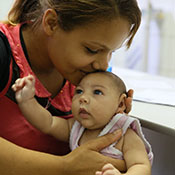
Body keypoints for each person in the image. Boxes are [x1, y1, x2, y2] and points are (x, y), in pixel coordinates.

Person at [0, 0, 141, 174]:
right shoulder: (3, 52)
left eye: (111, 52)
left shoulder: (85, 74)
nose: (103, 65)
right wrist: (66, 166)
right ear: (51, 23)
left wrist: (108, 120)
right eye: (91, 49)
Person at [12, 71, 153, 175]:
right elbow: (47, 123)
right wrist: (27, 100)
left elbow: (141, 165)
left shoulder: (123, 133)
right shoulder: (76, 127)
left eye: (97, 92)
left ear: (121, 103)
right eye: (79, 91)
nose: (83, 98)